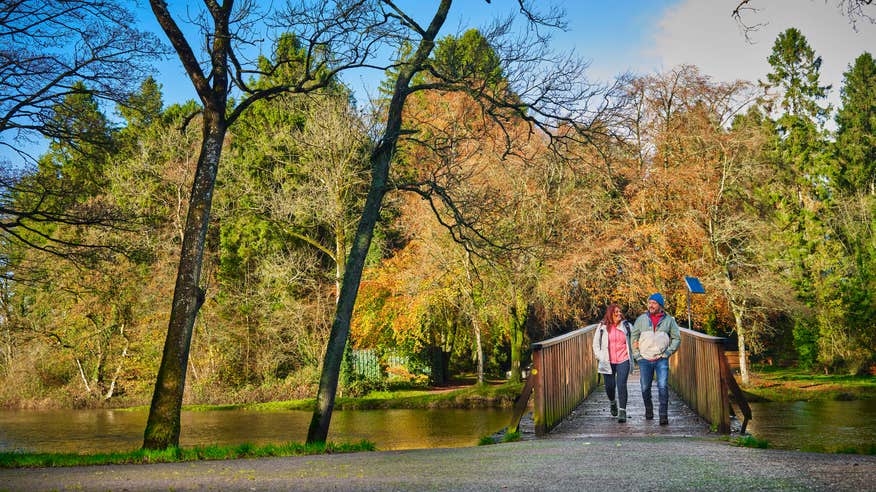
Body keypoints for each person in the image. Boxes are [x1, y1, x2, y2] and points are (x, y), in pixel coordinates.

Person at [631, 293, 681, 425]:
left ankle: (663, 415)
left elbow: (677, 338)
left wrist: (668, 352)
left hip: (661, 359)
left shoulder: (669, 321)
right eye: (650, 303)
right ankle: (649, 409)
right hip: (644, 359)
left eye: (654, 303)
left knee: (663, 386)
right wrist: (637, 355)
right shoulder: (641, 319)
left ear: (660, 306)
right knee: (644, 387)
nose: (651, 305)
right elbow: (633, 337)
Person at [592, 304, 634, 423]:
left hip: (623, 359)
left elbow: (635, 339)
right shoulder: (602, 327)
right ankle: (613, 402)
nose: (619, 314)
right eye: (616, 312)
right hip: (607, 361)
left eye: (620, 312)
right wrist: (600, 356)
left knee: (621, 384)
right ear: (610, 314)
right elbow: (595, 344)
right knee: (610, 387)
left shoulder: (626, 326)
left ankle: (622, 411)